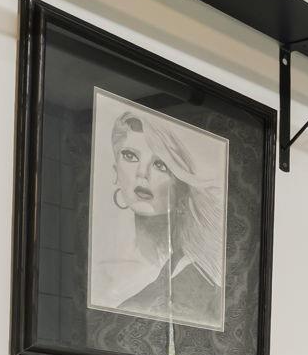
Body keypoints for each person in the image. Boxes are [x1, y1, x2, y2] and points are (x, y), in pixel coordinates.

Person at [89, 97, 226, 330]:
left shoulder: (198, 274)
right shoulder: (99, 269)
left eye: (160, 165)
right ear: (115, 171)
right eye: (130, 156)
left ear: (181, 184)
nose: (142, 173)